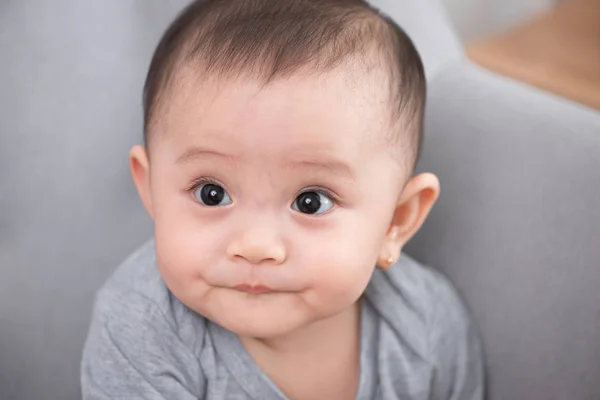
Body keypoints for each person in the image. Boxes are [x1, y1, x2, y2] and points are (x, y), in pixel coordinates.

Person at [81, 0, 484, 398]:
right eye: (212, 194)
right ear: (151, 190)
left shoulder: (428, 328)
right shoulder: (140, 328)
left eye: (311, 202)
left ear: (396, 220)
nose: (256, 246)